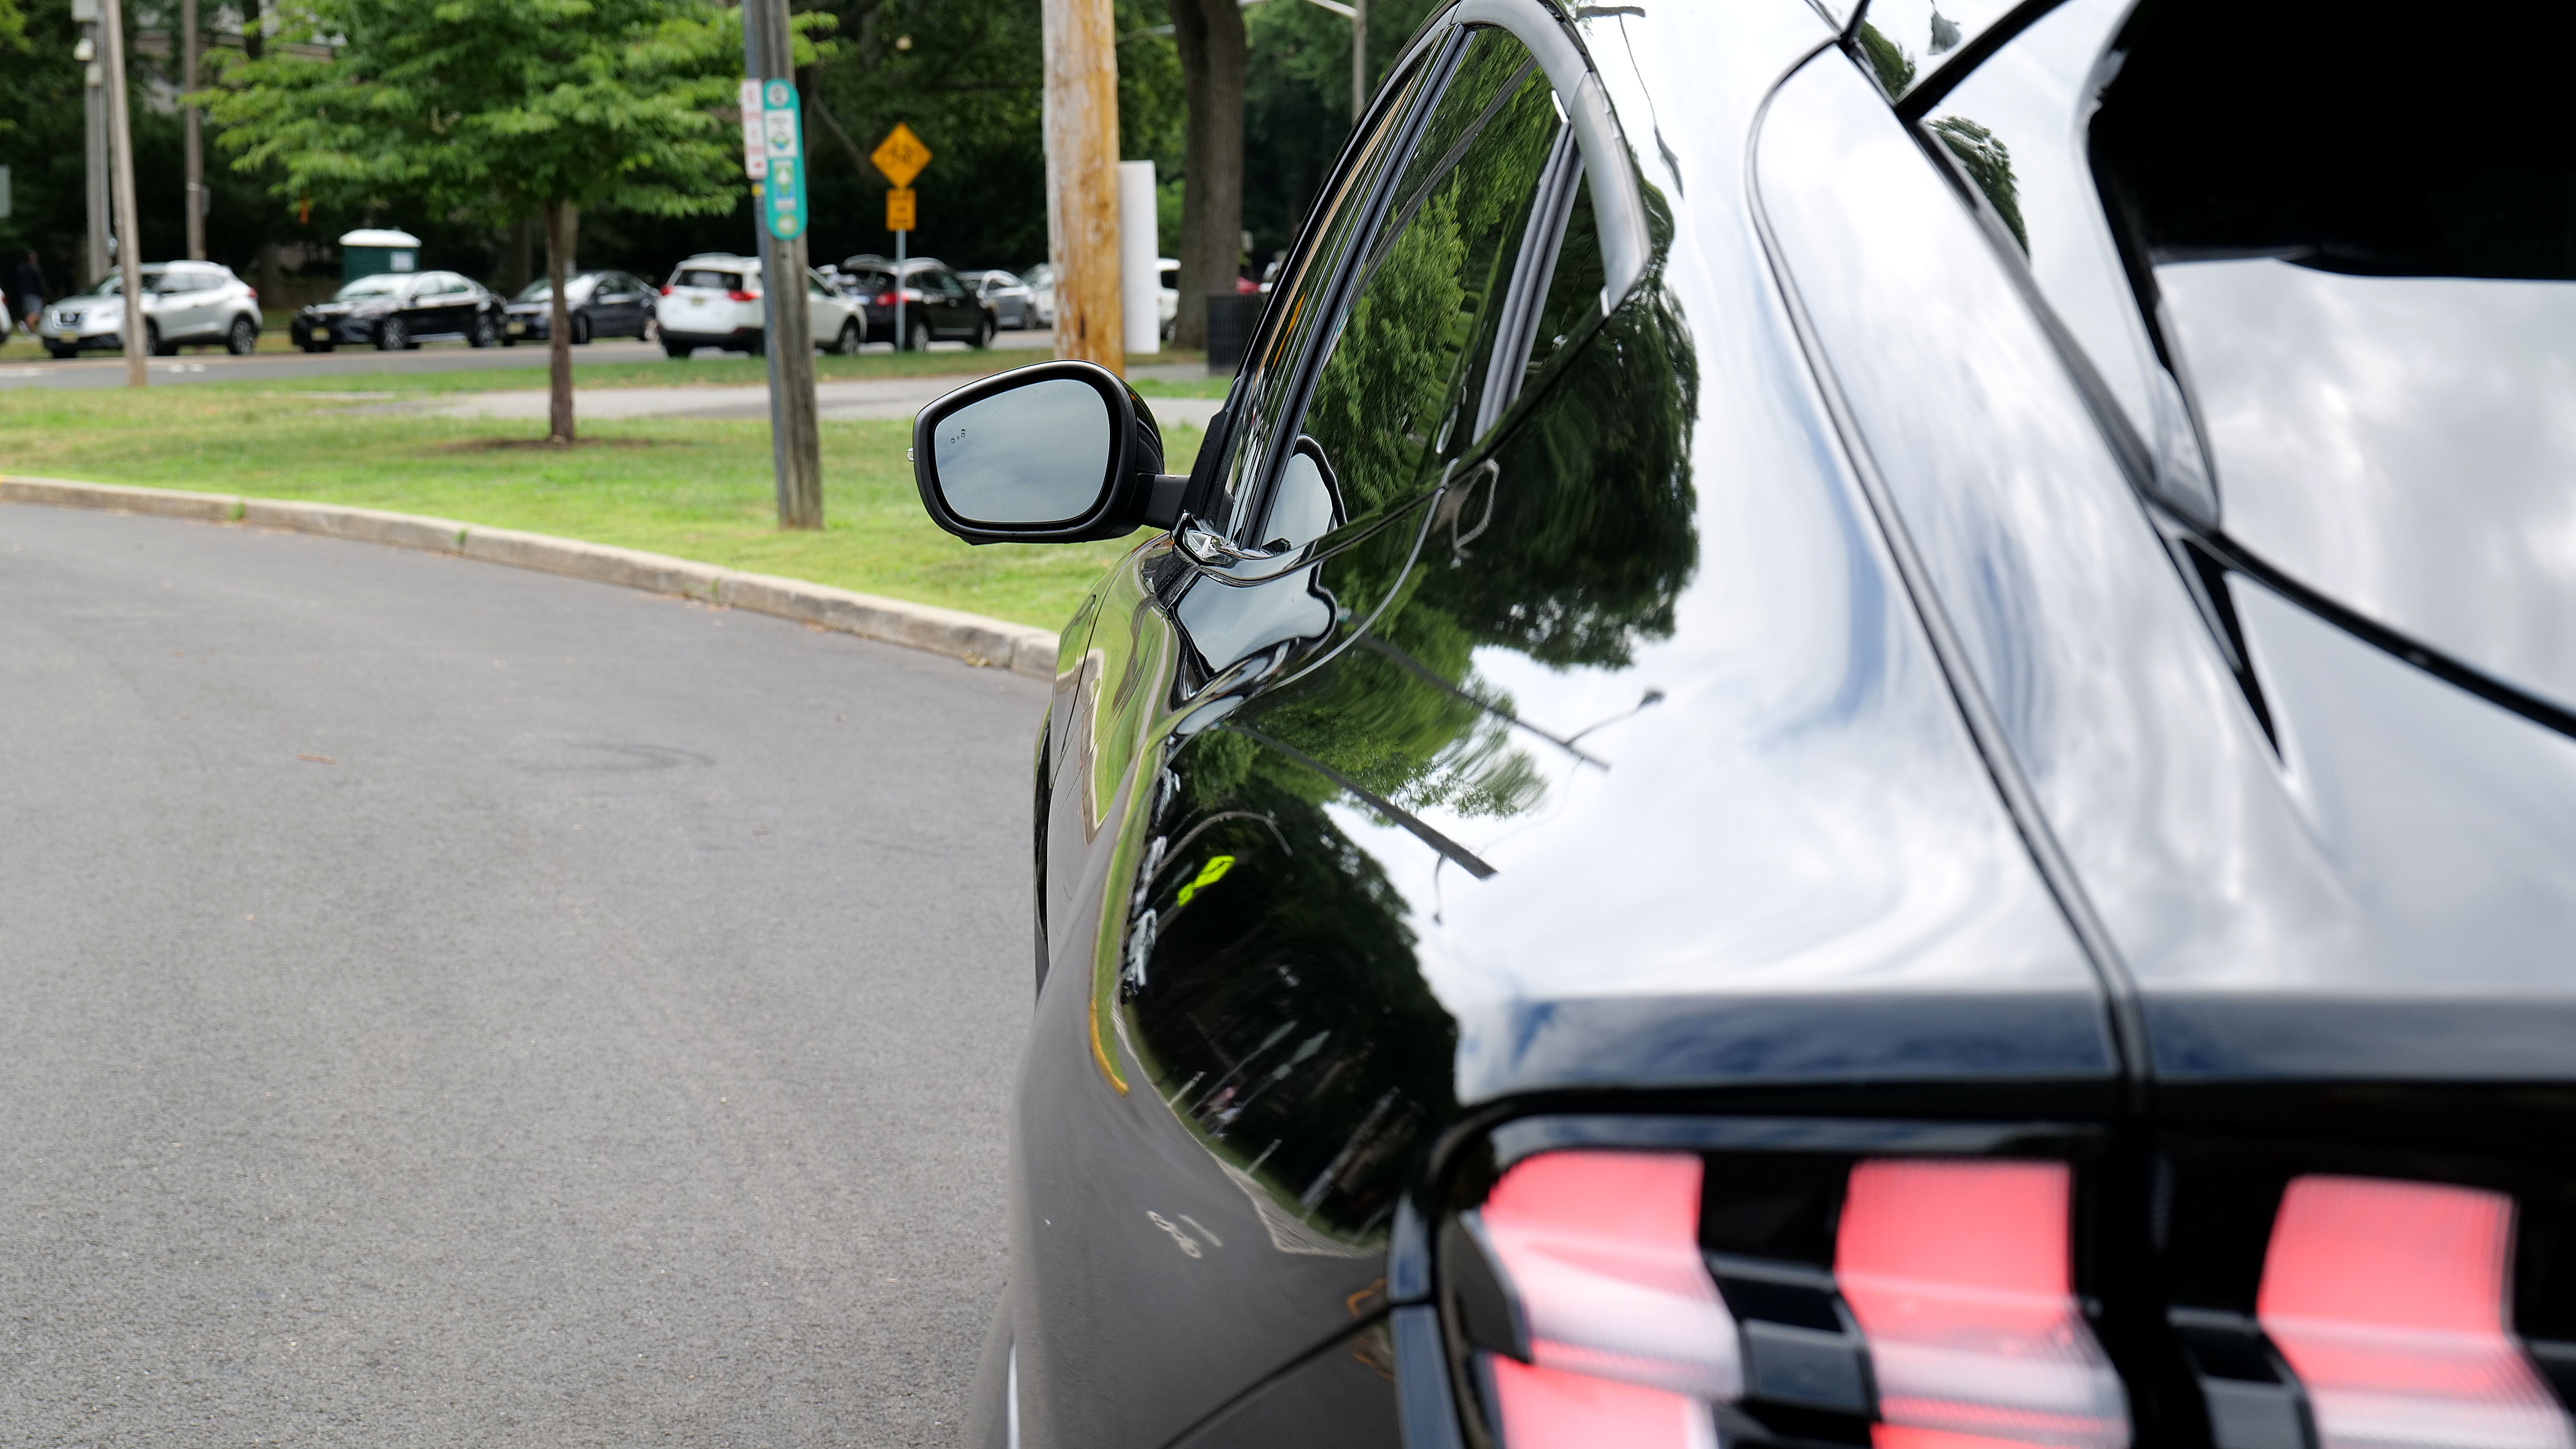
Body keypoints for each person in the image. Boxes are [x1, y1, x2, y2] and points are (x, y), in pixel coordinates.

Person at [11, 249, 45, 336]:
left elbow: (16, 283)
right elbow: (40, 283)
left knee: (31, 313)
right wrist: (42, 295)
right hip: (34, 294)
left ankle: (31, 332)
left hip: (23, 295)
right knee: (36, 313)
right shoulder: (35, 269)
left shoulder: (20, 269)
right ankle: (25, 325)